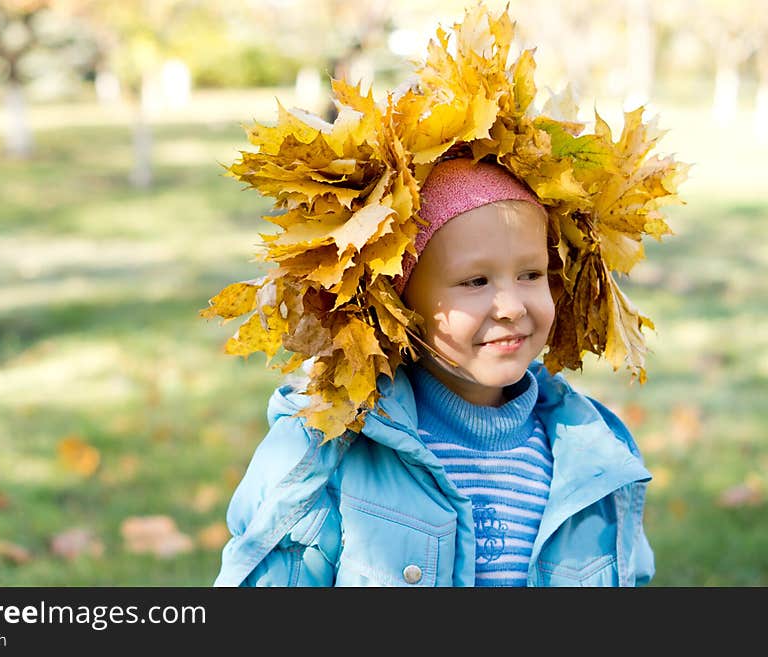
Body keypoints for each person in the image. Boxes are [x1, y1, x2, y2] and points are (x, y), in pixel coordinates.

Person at [204, 3, 685, 587]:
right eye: (475, 282)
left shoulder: (593, 457)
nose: (511, 304)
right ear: (399, 302)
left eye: (531, 274)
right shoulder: (328, 451)